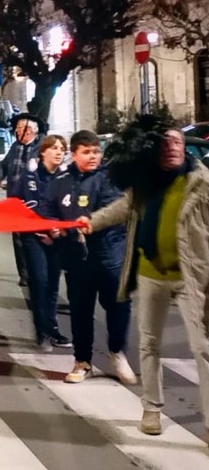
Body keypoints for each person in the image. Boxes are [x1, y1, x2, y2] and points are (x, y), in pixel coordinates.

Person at [81, 118, 209, 437]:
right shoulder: (145, 181)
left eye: (177, 142)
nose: (172, 149)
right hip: (150, 273)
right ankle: (151, 407)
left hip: (192, 277)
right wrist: (92, 221)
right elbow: (123, 208)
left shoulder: (202, 182)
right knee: (149, 343)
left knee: (203, 348)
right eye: (165, 144)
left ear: (185, 147)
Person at [40, 130, 135, 385]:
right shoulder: (60, 180)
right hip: (76, 258)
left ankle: (117, 350)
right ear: (74, 154)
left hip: (109, 255)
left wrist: (89, 222)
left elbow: (114, 210)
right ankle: (82, 361)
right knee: (81, 312)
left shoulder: (110, 178)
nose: (93, 156)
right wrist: (53, 228)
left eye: (96, 151)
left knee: (118, 307)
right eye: (87, 152)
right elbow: (48, 209)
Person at [17, 135, 72, 351]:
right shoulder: (31, 175)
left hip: (57, 236)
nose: (59, 152)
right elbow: (33, 205)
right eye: (54, 148)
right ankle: (42, 332)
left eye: (62, 149)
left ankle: (52, 328)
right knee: (39, 282)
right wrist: (47, 228)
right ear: (43, 152)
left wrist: (57, 231)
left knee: (52, 285)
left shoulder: (65, 177)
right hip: (34, 236)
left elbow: (67, 205)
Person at [0, 114, 47, 286]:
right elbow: (4, 165)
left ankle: (39, 270)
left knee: (35, 235)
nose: (16, 130)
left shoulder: (42, 146)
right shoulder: (15, 146)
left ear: (30, 130)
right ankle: (24, 274)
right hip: (15, 198)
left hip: (35, 200)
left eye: (20, 127)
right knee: (18, 238)